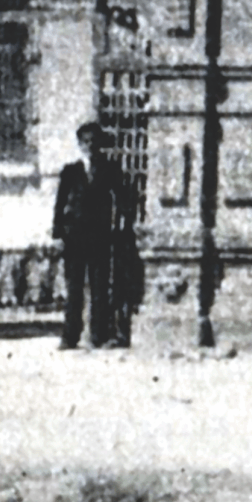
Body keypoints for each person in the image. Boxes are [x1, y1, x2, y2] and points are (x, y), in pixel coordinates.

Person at [52, 123, 124, 350]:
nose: (90, 146)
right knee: (74, 288)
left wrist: (120, 226)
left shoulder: (110, 169)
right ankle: (70, 335)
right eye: (85, 141)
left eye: (94, 141)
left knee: (99, 287)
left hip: (100, 236)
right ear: (79, 144)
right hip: (75, 237)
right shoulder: (70, 171)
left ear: (100, 144)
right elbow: (60, 204)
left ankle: (98, 335)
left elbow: (121, 200)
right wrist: (57, 233)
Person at [108, 143, 146, 349]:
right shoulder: (105, 192)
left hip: (123, 245)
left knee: (123, 290)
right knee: (112, 291)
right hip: (110, 243)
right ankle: (111, 331)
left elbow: (129, 216)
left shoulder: (127, 192)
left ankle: (123, 332)